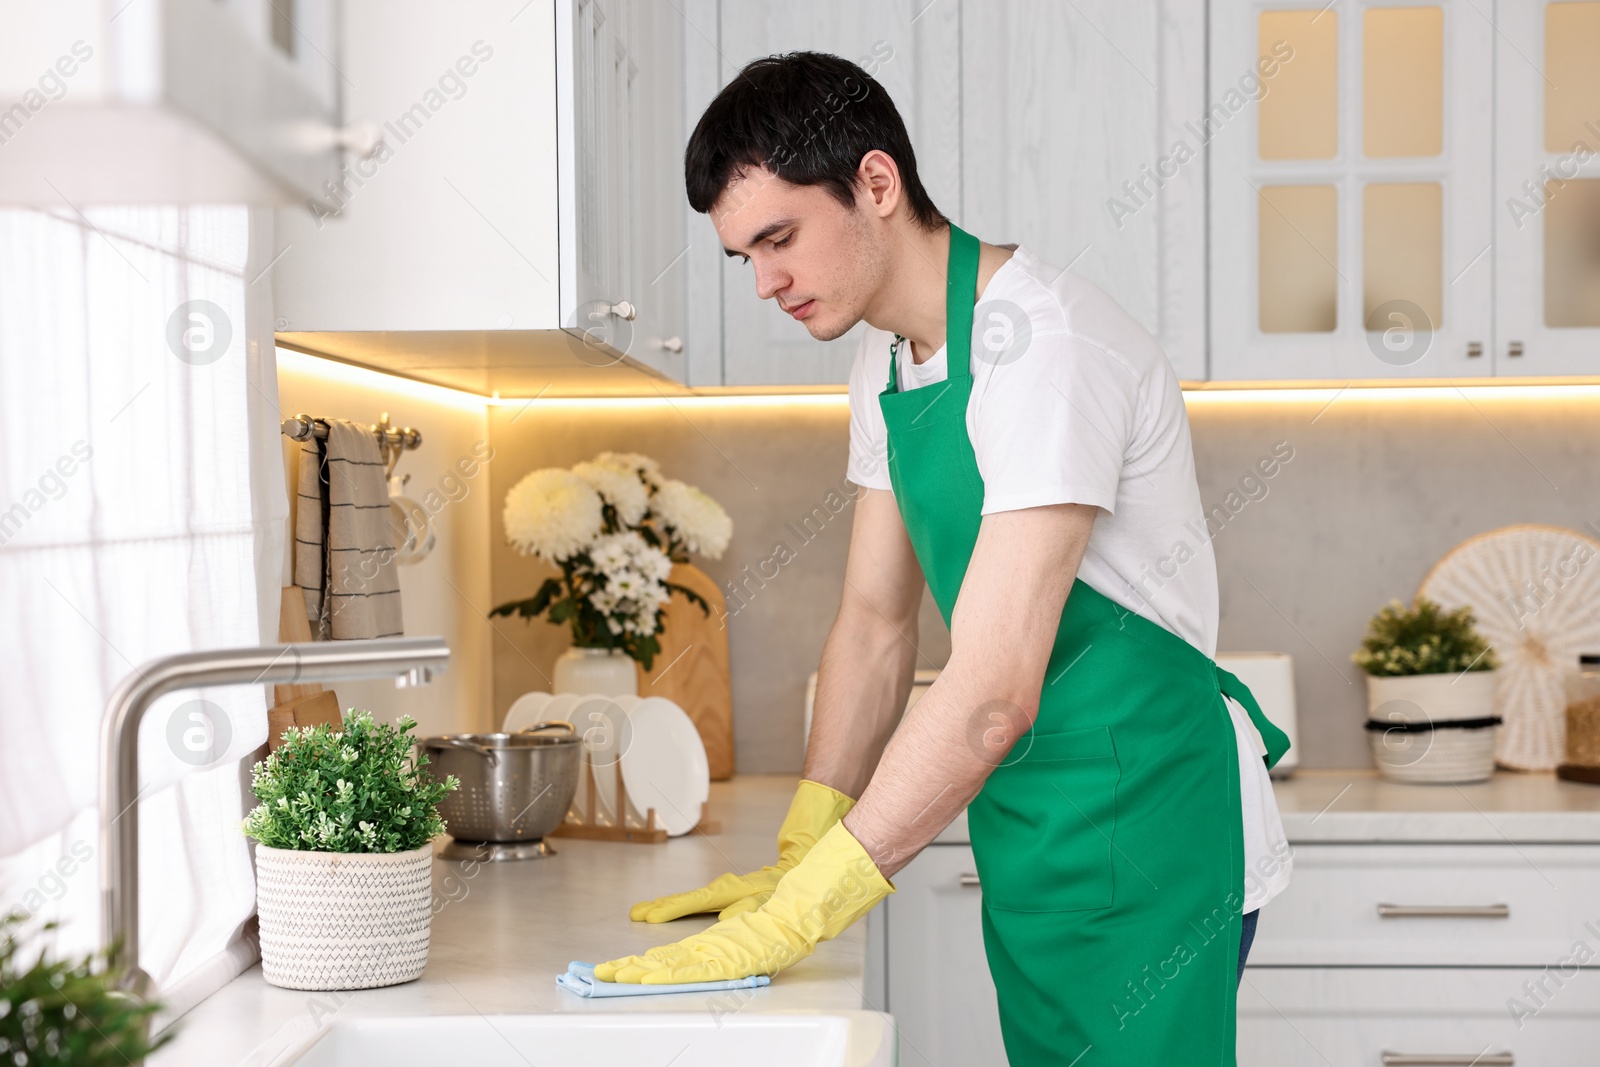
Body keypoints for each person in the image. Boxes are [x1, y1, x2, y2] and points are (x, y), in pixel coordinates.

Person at [596, 51, 1294, 1064]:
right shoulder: (881, 361)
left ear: (875, 184)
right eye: (741, 254)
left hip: (1146, 819)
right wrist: (807, 833)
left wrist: (806, 910)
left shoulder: (1043, 346)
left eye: (779, 238)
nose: (764, 282)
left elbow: (994, 690)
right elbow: (876, 623)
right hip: (1030, 814)